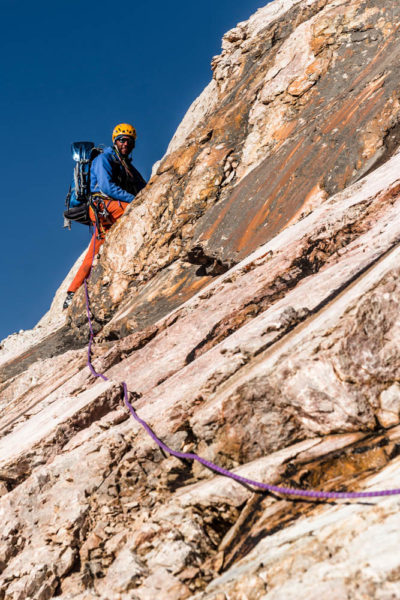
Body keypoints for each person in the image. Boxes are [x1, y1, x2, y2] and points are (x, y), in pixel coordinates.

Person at [63, 123, 146, 309]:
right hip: (103, 207)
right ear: (115, 141)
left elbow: (144, 186)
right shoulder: (105, 158)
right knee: (139, 210)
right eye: (122, 140)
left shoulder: (126, 166)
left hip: (105, 215)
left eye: (129, 142)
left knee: (93, 253)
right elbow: (107, 187)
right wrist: (135, 200)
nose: (126, 144)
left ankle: (71, 293)